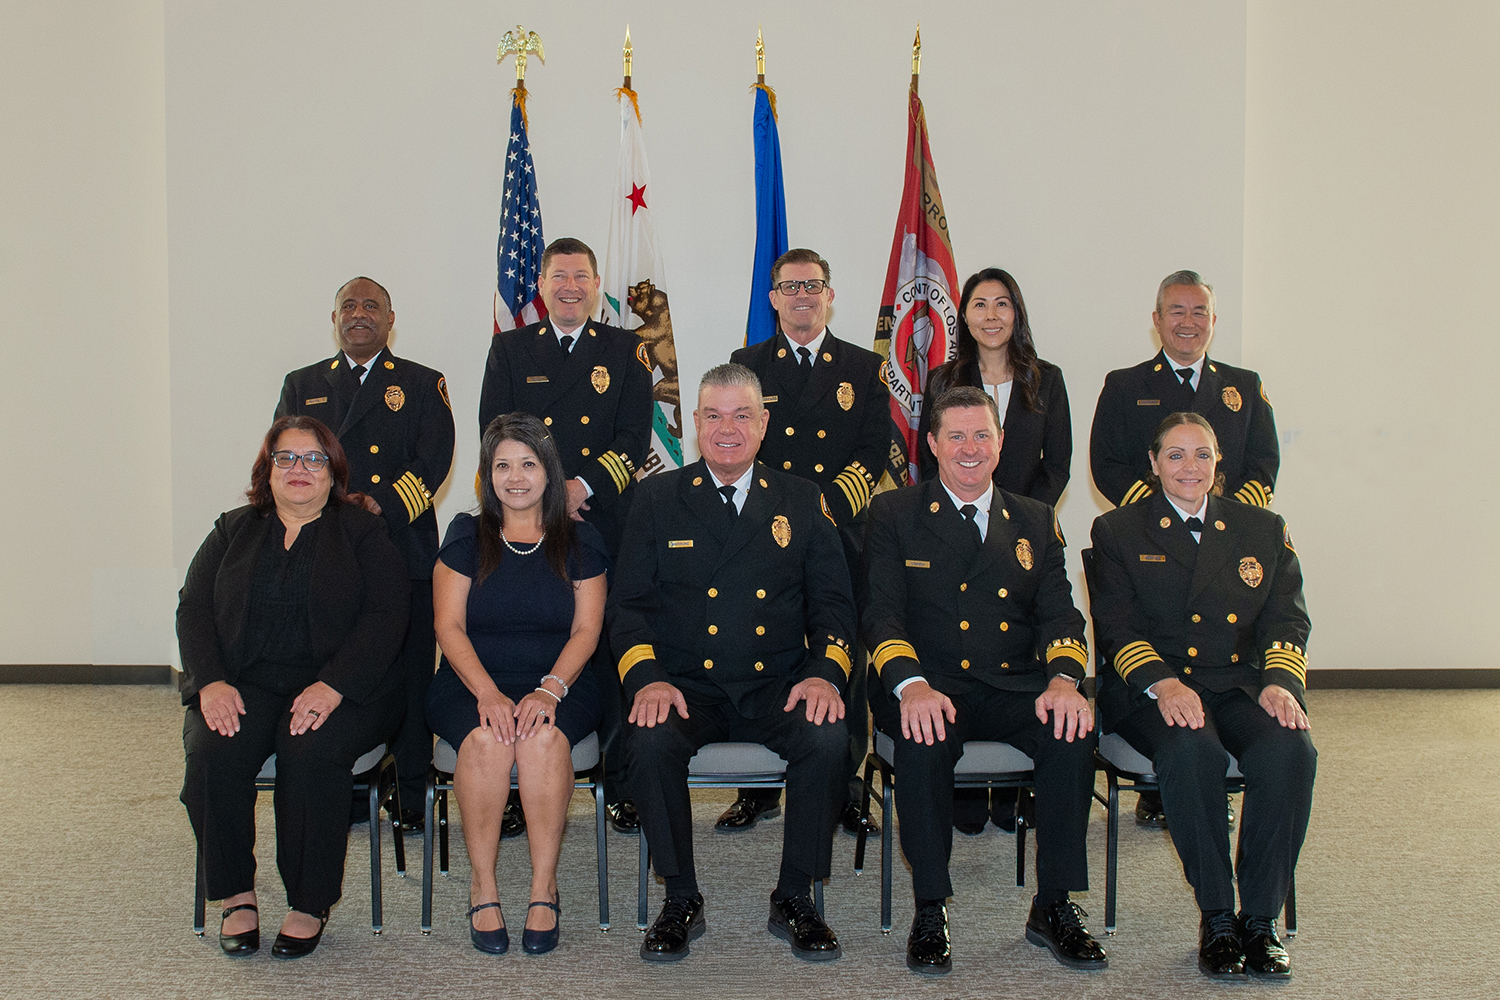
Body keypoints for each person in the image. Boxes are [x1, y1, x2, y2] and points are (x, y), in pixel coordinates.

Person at [610, 363, 857, 963]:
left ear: (764, 423)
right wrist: (646, 678)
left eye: (742, 415)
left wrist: (825, 673)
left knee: (828, 739)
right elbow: (628, 608)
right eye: (714, 416)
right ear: (694, 424)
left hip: (778, 684)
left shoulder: (801, 499)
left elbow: (834, 606)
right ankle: (681, 896)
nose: (727, 429)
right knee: (646, 741)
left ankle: (796, 894)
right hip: (687, 687)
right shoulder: (657, 498)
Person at [863, 386, 1106, 975]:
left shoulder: (1034, 518)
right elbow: (881, 614)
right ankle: (930, 904)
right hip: (930, 680)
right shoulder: (896, 513)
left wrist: (1066, 679)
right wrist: (910, 685)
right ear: (933, 445)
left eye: (982, 436)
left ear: (1000, 444)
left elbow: (1060, 615)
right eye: (956, 437)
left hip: (1014, 683)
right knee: (922, 737)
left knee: (1072, 731)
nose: (969, 449)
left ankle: (1054, 903)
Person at [1090, 412, 1314, 980]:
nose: (1190, 467)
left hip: (1236, 681)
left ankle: (1259, 921)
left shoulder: (1261, 528)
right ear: (1153, 462)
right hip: (1151, 687)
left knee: (1292, 750)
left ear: (1220, 464)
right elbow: (1116, 627)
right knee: (1194, 751)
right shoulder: (1118, 530)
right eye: (1175, 455)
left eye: (1203, 455)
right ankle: (1217, 915)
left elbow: (1286, 620)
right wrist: (1163, 683)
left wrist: (1282, 683)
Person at [178, 416, 410, 958]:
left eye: (314, 459)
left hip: (343, 686)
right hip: (245, 682)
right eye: (287, 458)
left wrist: (333, 686)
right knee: (213, 750)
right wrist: (210, 682)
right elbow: (193, 612)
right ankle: (237, 895)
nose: (299, 469)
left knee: (310, 749)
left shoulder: (363, 532)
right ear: (268, 469)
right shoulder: (231, 529)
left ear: (333, 473)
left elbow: (387, 616)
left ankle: (309, 902)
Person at [1088, 269, 1278, 827]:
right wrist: (1161, 517)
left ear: (1213, 322)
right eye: (1177, 311)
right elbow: (1108, 464)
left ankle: (1208, 771)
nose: (1188, 321)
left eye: (1199, 312)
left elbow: (1264, 462)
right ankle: (1171, 775)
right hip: (1155, 545)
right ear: (1157, 321)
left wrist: (1231, 521)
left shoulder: (1243, 384)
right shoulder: (1125, 385)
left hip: (1227, 550)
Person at [479, 237, 652, 834]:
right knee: (523, 635)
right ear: (543, 285)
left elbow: (634, 440)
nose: (570, 286)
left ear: (597, 284)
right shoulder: (509, 349)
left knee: (608, 647)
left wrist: (578, 489)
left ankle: (622, 782)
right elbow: (493, 433)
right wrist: (546, 494)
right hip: (524, 525)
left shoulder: (627, 349)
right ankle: (510, 786)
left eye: (581, 276)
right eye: (559, 276)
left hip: (601, 519)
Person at [275, 276, 454, 832]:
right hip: (326, 548)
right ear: (334, 320)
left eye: (370, 305)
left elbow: (436, 459)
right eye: (348, 306)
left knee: (409, 674)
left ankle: (411, 792)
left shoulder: (423, 383)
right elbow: (286, 458)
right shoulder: (302, 383)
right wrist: (338, 509)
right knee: (332, 662)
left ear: (390, 318)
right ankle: (345, 785)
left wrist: (381, 507)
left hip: (402, 548)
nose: (359, 313)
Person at [426, 413, 607, 955]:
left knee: (542, 739)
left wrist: (550, 689)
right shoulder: (465, 534)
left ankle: (542, 886)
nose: (515, 476)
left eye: (528, 464)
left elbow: (587, 629)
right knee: (485, 740)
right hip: (471, 678)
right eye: (502, 465)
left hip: (563, 679)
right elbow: (448, 626)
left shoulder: (582, 539)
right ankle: (483, 887)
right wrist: (485, 691)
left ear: (549, 473)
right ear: (487, 476)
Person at [725, 247, 886, 837]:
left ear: (829, 294)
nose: (801, 296)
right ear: (773, 298)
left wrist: (823, 507)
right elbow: (738, 445)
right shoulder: (747, 362)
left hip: (836, 530)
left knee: (840, 653)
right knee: (756, 646)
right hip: (761, 534)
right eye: (790, 286)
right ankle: (757, 793)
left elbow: (873, 454)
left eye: (812, 285)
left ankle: (844, 788)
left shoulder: (864, 367)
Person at [918, 267, 1072, 836]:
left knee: (1016, 648)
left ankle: (1014, 792)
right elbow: (926, 454)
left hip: (1023, 535)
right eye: (979, 304)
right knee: (960, 643)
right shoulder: (943, 377)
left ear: (1017, 313)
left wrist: (1019, 521)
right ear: (964, 315)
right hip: (955, 531)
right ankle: (963, 790)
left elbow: (1058, 462)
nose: (991, 315)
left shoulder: (1045, 379)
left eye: (1002, 304)